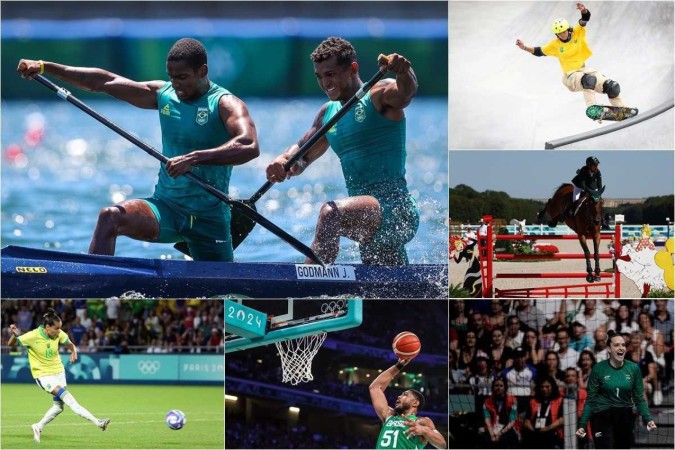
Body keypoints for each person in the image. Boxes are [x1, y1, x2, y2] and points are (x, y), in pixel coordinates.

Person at [17, 38, 260, 261]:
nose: (176, 84)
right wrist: (44, 66)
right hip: (167, 208)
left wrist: (195, 158)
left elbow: (249, 145)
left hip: (210, 218)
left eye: (183, 77)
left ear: (203, 71)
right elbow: (103, 81)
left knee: (221, 292)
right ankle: (95, 290)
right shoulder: (163, 94)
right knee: (110, 217)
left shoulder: (225, 103)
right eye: (171, 77)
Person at [265, 36, 419, 266]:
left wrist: (404, 71)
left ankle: (306, 287)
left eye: (330, 74)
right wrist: (283, 160)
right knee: (387, 287)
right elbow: (301, 155)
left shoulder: (378, 95)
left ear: (353, 69)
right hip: (365, 216)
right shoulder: (328, 114)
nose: (325, 83)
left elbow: (406, 92)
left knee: (331, 213)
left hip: (397, 211)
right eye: (319, 77)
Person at [7, 309, 110, 443]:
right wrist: (14, 335)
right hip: (43, 375)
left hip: (59, 372)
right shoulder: (32, 336)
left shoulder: (58, 333)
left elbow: (69, 344)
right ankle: (99, 423)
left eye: (60, 328)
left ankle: (38, 426)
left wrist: (74, 352)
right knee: (70, 401)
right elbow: (11, 344)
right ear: (47, 327)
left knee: (58, 407)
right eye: (56, 328)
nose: (59, 331)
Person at [515, 3, 626, 110]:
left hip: (585, 70)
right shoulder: (555, 45)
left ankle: (622, 111)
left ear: (568, 29)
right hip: (570, 77)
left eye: (564, 32)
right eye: (560, 34)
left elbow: (584, 20)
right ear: (556, 34)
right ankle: (593, 108)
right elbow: (539, 51)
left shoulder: (577, 32)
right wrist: (524, 47)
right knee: (589, 80)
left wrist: (584, 11)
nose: (563, 35)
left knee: (612, 86)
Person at [576, 329, 657, 449]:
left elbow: (639, 396)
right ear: (609, 349)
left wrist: (647, 417)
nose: (621, 348)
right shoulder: (598, 369)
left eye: (623, 345)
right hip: (602, 417)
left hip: (623, 417)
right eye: (616, 345)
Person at [369, 359, 446, 449]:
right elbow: (375, 388)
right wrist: (398, 366)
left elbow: (442, 445)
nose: (399, 396)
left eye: (405, 394)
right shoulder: (389, 415)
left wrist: (424, 431)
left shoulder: (422, 421)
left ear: (415, 402)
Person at [523, 375, 565, 449]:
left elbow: (562, 420)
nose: (544, 389)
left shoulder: (559, 400)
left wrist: (547, 428)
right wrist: (533, 430)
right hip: (535, 433)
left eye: (547, 386)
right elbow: (527, 420)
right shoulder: (533, 401)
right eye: (542, 387)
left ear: (552, 387)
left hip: (552, 433)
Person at [480, 378, 519, 449]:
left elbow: (512, 421)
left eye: (501, 386)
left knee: (507, 440)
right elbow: (487, 419)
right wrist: (492, 434)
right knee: (485, 440)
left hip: (507, 427)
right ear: (492, 388)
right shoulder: (487, 401)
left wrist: (500, 434)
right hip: (492, 427)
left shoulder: (513, 400)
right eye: (496, 385)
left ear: (505, 388)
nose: (498, 388)